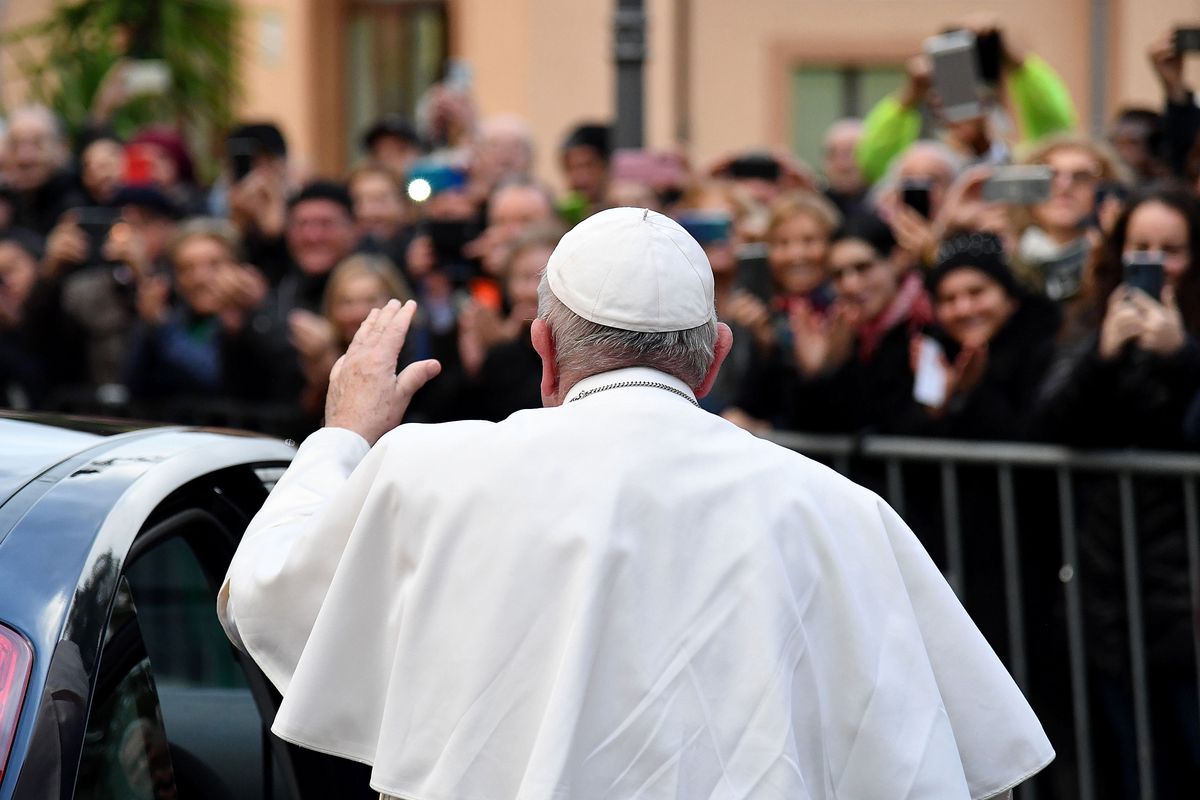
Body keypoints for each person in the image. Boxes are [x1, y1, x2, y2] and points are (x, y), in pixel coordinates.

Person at [218, 206, 1052, 800]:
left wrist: (342, 436)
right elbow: (951, 758)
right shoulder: (838, 510)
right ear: (713, 359)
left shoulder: (427, 468)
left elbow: (267, 591)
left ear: (543, 350)